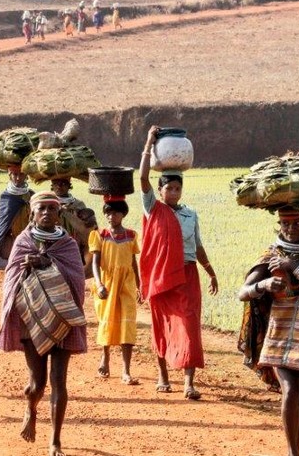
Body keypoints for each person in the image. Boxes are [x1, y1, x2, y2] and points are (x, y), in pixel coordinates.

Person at [0, 191, 86, 456]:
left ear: (59, 215)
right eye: (41, 209)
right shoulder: (24, 241)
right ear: (32, 214)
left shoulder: (67, 244)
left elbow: (77, 281)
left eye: (51, 209)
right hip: (31, 321)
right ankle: (31, 407)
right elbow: (10, 280)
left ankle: (55, 440)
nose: (46, 213)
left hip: (61, 317)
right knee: (38, 384)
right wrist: (27, 267)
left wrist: (49, 263)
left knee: (59, 381)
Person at [237, 207, 299, 456]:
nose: (291, 229)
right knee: (290, 388)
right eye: (286, 224)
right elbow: (243, 292)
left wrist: (292, 265)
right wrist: (265, 284)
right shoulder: (270, 255)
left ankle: (296, 451)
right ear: (279, 224)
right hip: (277, 332)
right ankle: (292, 452)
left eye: (298, 223)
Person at [138, 125, 218, 400]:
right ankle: (162, 376)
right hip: (161, 278)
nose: (173, 191)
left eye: (176, 188)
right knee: (161, 326)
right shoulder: (153, 209)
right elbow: (142, 177)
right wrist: (149, 143)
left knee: (189, 326)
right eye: (168, 188)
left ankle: (188, 383)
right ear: (159, 191)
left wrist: (210, 272)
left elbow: (197, 246)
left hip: (187, 274)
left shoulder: (190, 214)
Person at [89, 195, 141, 385]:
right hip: (107, 284)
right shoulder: (99, 236)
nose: (112, 216)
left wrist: (140, 285)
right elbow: (94, 264)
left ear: (123, 214)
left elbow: (134, 262)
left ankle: (126, 371)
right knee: (107, 321)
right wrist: (99, 284)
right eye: (108, 212)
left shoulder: (131, 235)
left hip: (127, 284)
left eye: (116, 212)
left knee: (127, 324)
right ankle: (105, 357)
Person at [0, 167, 33, 270]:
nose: (18, 178)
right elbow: (0, 225)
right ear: (9, 175)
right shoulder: (6, 197)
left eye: (21, 174)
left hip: (29, 242)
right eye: (15, 175)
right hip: (10, 243)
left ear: (27, 175)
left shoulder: (32, 196)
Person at [49, 177, 93, 267]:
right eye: (56, 183)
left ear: (69, 186)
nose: (59, 186)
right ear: (52, 186)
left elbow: (86, 229)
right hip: (53, 246)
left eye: (63, 184)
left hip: (75, 246)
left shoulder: (79, 205)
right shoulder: (48, 204)